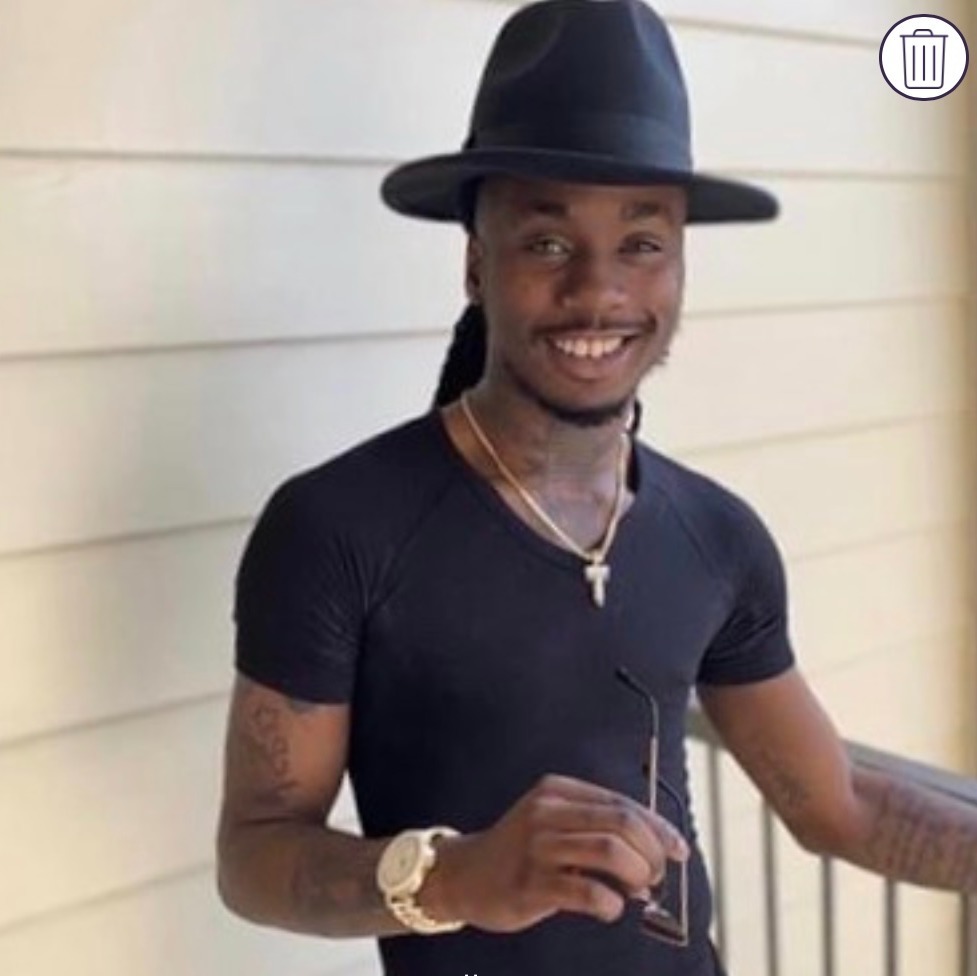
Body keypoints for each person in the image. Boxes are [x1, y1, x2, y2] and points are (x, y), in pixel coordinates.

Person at [216, 3, 977, 975]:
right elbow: (255, 853)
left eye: (641, 243)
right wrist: (453, 875)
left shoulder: (716, 539)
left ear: (679, 265)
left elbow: (841, 805)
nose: (598, 290)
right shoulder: (339, 528)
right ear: (475, 263)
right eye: (546, 242)